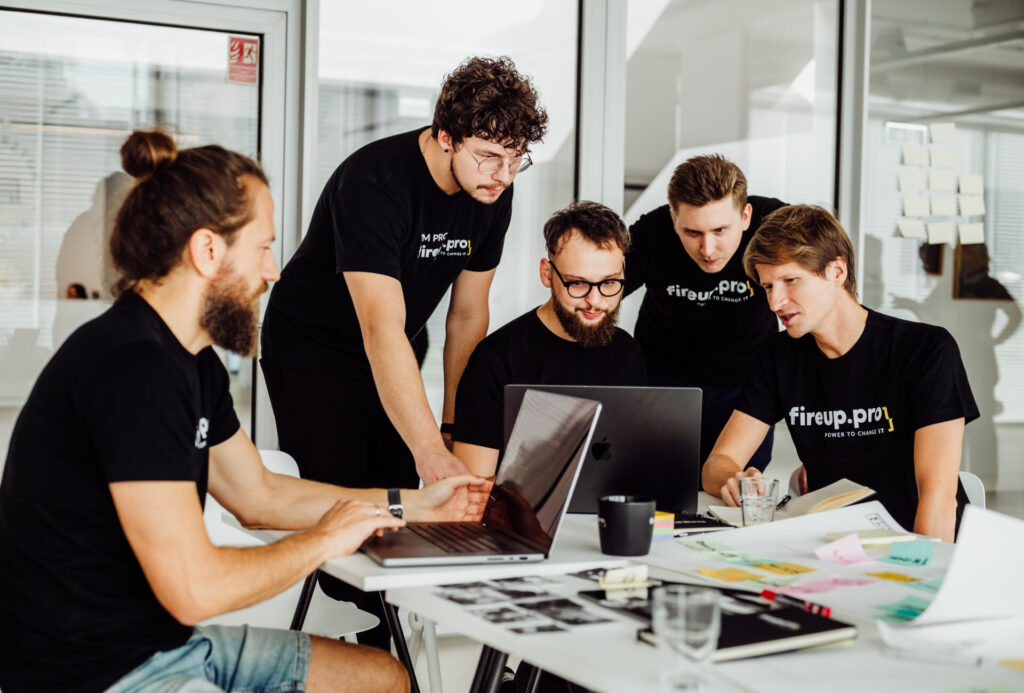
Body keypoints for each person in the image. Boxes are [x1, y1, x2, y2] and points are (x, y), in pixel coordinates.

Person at [0, 130, 491, 693]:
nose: (273, 272)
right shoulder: (134, 369)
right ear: (208, 251)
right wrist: (324, 540)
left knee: (383, 678)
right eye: (262, 249)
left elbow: (260, 496)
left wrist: (415, 505)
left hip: (165, 645)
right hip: (90, 673)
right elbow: (194, 590)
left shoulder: (192, 361)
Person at [260, 55, 547, 645]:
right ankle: (353, 642)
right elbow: (379, 328)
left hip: (395, 347)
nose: (503, 175)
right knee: (350, 507)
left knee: (411, 509)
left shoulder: (493, 191)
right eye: (488, 156)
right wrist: (428, 450)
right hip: (313, 350)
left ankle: (389, 650)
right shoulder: (375, 182)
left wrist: (452, 427)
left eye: (516, 158)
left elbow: (467, 315)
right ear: (446, 137)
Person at [701, 205, 978, 541]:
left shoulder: (925, 350)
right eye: (768, 287)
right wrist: (733, 479)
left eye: (790, 281)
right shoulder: (777, 356)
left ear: (837, 271)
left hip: (918, 543)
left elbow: (938, 497)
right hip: (835, 545)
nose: (775, 303)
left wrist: (920, 569)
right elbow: (718, 463)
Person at [451, 201, 646, 478]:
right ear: (547, 273)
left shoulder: (627, 352)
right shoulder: (495, 360)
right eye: (578, 283)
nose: (595, 300)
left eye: (609, 283)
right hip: (518, 508)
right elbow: (473, 485)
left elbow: (635, 460)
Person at [625, 155, 786, 471]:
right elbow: (597, 292)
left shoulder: (777, 226)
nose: (708, 249)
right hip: (663, 382)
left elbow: (822, 299)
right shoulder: (651, 233)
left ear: (746, 216)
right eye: (693, 233)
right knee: (658, 484)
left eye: (720, 230)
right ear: (674, 220)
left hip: (747, 388)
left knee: (735, 490)